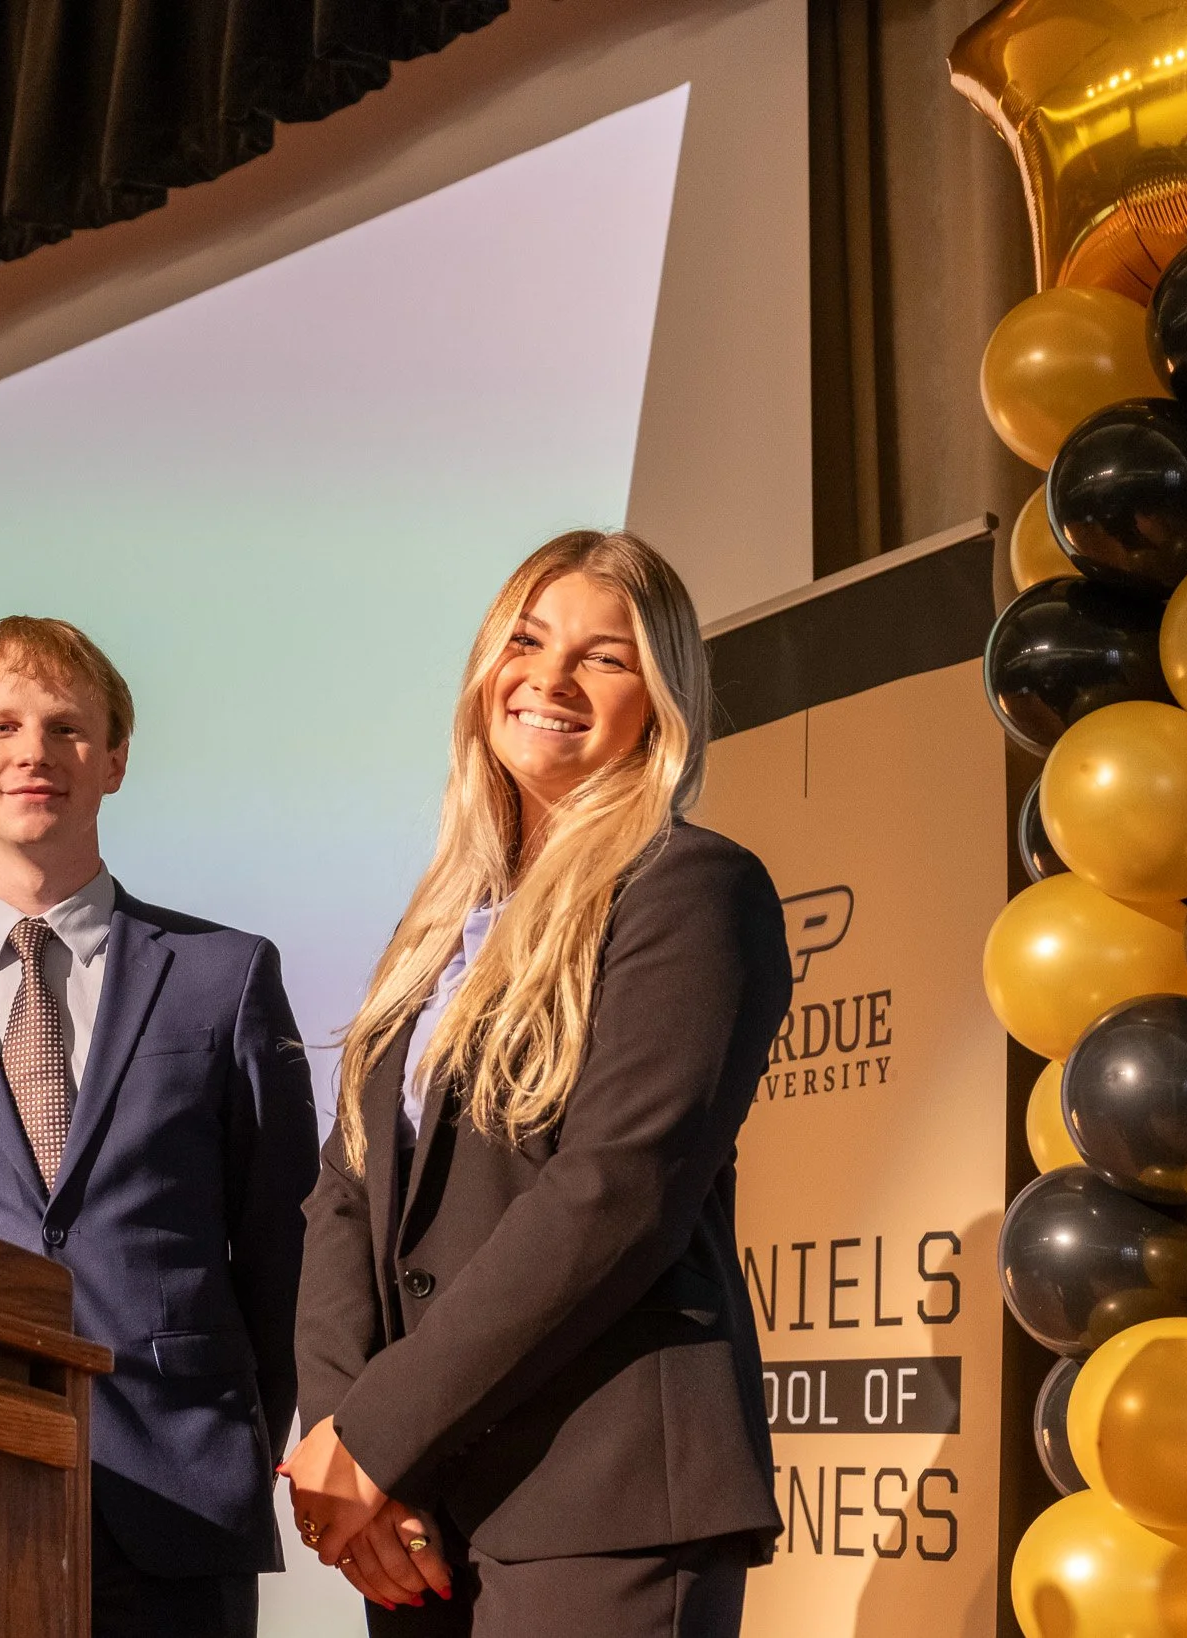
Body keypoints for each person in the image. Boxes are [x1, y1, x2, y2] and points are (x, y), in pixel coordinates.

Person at [282, 530, 792, 1636]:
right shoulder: (433, 934)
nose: (549, 679)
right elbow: (344, 1192)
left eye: (602, 658)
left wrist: (372, 1435)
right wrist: (346, 1438)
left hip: (601, 1502)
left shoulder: (691, 891)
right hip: (418, 1515)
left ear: (658, 703)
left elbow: (618, 1193)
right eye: (526, 640)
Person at [0, 616, 319, 1638]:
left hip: (177, 1503)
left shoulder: (223, 977)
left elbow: (285, 1249)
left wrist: (241, 1434)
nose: (33, 753)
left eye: (67, 728)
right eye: (0, 726)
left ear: (116, 761)